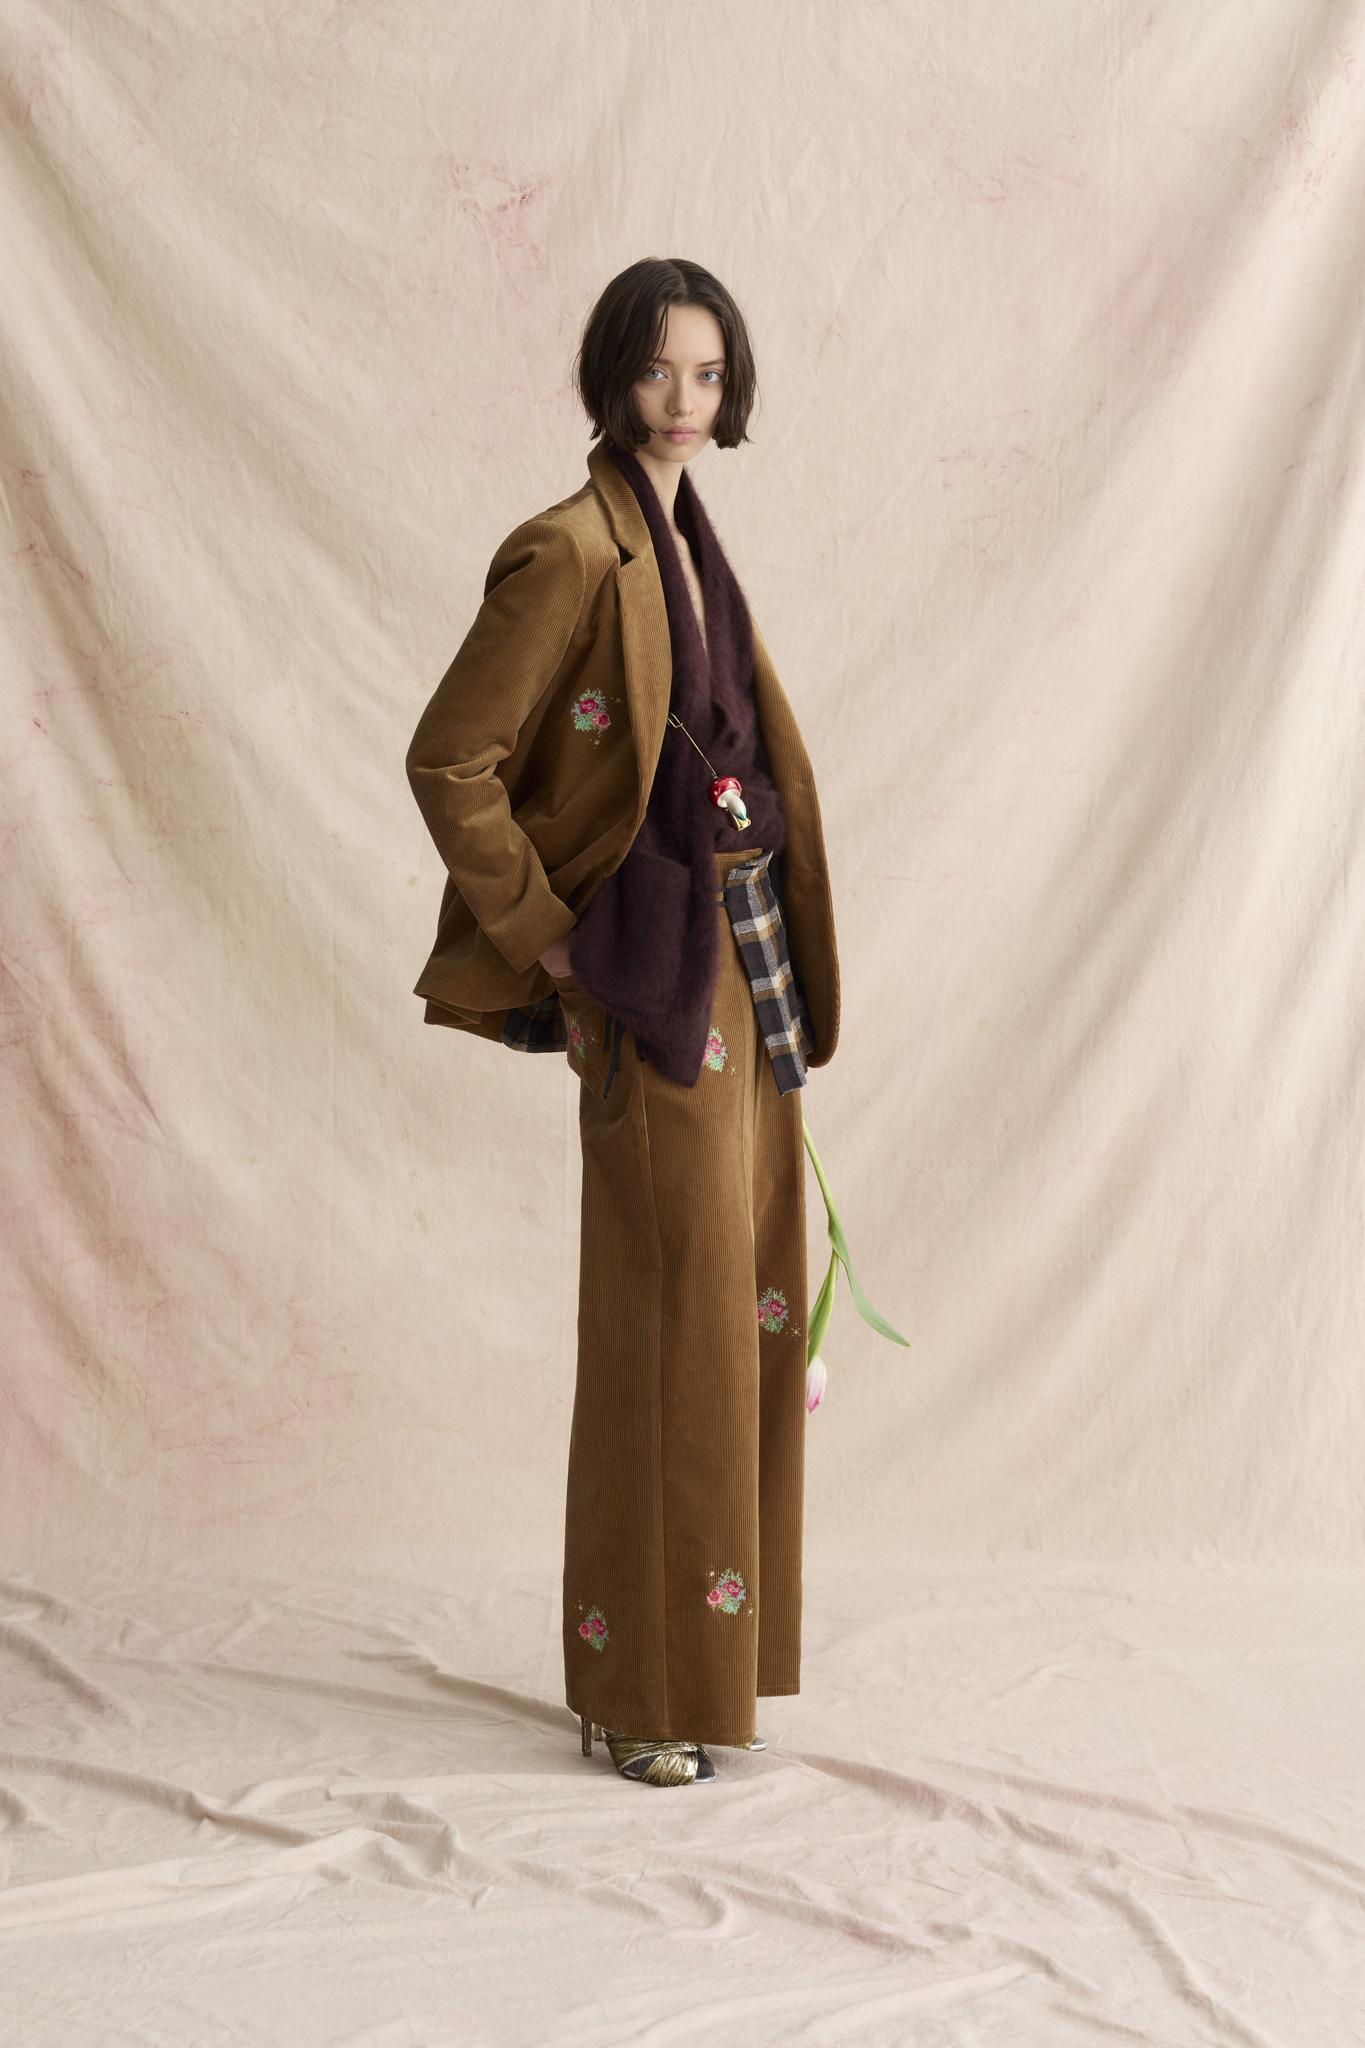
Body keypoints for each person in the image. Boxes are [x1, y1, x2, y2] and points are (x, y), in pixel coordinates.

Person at [405, 257, 841, 1787]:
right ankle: (638, 1687)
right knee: (672, 1324)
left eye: (706, 374)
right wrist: (549, 941)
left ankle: (713, 1664)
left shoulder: (686, 533)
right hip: (647, 972)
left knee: (749, 1307)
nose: (681, 400)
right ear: (610, 375)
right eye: (656, 370)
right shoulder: (568, 548)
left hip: (743, 961)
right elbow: (451, 758)